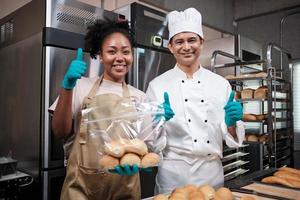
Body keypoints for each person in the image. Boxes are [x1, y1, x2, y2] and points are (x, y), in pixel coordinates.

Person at [49, 20, 172, 200]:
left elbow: (147, 148)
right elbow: (60, 131)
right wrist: (67, 87)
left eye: (126, 51)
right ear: (100, 55)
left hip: (125, 188)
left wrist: (159, 122)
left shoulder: (139, 97)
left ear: (132, 55)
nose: (120, 57)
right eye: (111, 51)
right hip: (81, 188)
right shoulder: (81, 86)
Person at [146, 8, 245, 194]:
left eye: (192, 40)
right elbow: (151, 142)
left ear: (201, 42)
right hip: (173, 174)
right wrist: (158, 122)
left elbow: (232, 137)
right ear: (170, 47)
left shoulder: (221, 84)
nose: (186, 47)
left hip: (211, 173)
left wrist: (231, 124)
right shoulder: (156, 86)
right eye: (179, 42)